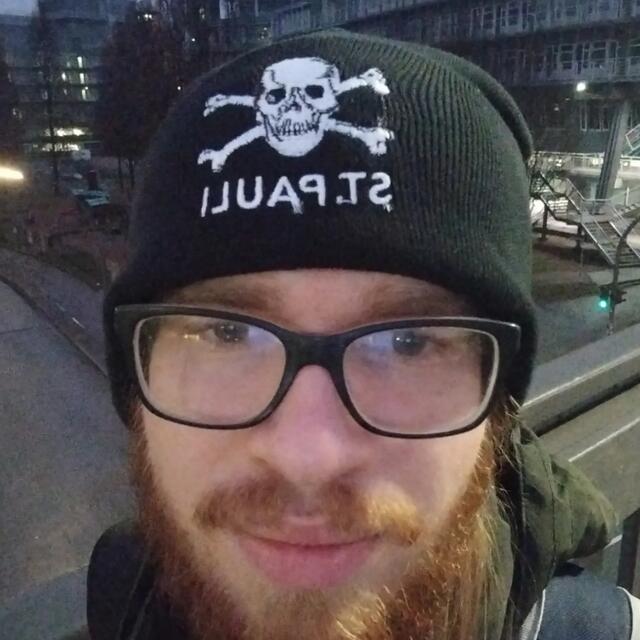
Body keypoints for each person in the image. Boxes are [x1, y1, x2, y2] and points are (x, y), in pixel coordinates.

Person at [88, 30, 639, 640]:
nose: (307, 459)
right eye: (227, 333)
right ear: (135, 384)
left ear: (498, 409)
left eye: (407, 343)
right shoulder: (122, 596)